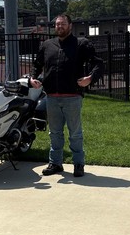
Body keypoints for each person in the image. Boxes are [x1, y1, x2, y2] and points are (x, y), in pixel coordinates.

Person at [31, 13, 104, 178]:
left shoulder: (81, 44)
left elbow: (98, 63)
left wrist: (90, 78)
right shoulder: (47, 45)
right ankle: (55, 163)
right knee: (54, 133)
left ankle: (78, 164)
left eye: (63, 24)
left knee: (75, 133)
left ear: (70, 26)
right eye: (57, 24)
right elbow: (37, 64)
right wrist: (33, 78)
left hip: (72, 96)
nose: (60, 27)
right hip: (51, 97)